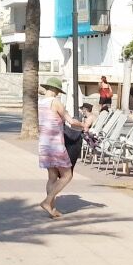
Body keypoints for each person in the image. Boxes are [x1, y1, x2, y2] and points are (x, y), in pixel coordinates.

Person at [38, 77, 89, 219]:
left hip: (44, 143)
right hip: (55, 144)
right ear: (55, 90)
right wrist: (84, 125)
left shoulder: (41, 102)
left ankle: (52, 209)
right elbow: (71, 121)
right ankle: (47, 202)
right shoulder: (56, 103)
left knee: (52, 177)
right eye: (58, 91)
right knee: (67, 175)